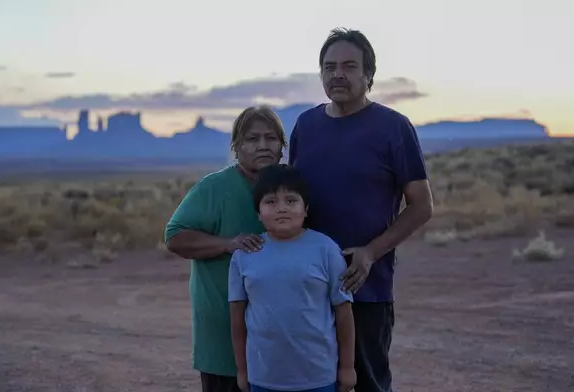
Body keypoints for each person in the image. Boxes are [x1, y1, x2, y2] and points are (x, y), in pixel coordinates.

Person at [288, 28, 434, 392]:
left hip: (365, 288)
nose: (337, 74)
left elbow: (422, 205)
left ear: (369, 76)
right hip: (308, 288)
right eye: (329, 66)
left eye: (349, 66)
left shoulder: (393, 128)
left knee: (366, 383)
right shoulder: (306, 126)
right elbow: (291, 200)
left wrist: (371, 252)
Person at [165, 105, 287, 392]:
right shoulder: (214, 187)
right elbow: (175, 237)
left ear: (282, 146)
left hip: (280, 336)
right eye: (252, 139)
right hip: (223, 337)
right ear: (236, 146)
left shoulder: (290, 189)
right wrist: (227, 244)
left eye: (271, 138)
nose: (262, 146)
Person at [228, 164, 356, 392]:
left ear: (306, 208)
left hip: (319, 376)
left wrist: (347, 367)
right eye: (270, 202)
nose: (281, 209)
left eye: (291, 201)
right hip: (263, 376)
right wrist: (242, 370)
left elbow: (343, 313)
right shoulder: (244, 255)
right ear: (258, 212)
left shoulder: (326, 249)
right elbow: (237, 318)